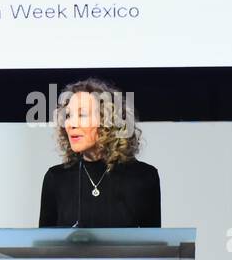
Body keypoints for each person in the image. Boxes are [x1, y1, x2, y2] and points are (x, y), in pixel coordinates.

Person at [39, 78, 161, 228]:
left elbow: (154, 248)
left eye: (82, 115)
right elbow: (44, 249)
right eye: (68, 116)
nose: (71, 124)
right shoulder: (56, 179)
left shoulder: (143, 177)